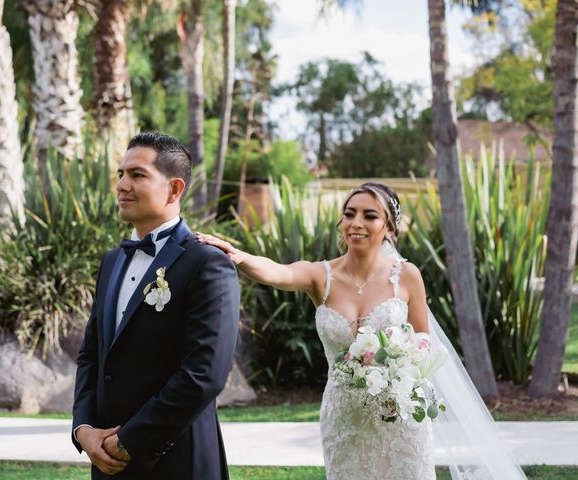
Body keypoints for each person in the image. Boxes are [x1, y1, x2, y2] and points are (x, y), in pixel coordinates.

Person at [197, 182, 527, 480]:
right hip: (345, 417)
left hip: (400, 417)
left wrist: (400, 370)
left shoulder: (407, 276)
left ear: (389, 228)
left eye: (370, 216)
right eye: (349, 214)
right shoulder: (320, 276)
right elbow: (278, 272)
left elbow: (424, 341)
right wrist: (238, 255)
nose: (356, 223)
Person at [71, 132, 240, 479]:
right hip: (107, 462)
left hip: (179, 459)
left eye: (137, 175)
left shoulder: (207, 263)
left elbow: (204, 374)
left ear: (175, 189)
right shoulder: (111, 261)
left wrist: (131, 440)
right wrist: (83, 429)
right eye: (120, 174)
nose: (122, 185)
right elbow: (92, 354)